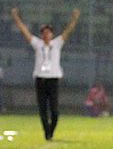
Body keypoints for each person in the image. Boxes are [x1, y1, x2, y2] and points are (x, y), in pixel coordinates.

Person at [11, 8, 80, 140]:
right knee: (43, 110)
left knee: (54, 111)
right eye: (44, 33)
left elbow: (68, 31)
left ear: (52, 34)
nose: (46, 35)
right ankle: (47, 133)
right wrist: (16, 18)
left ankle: (51, 130)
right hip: (41, 79)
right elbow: (24, 31)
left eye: (48, 33)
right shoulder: (38, 44)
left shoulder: (57, 44)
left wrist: (74, 18)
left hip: (53, 80)